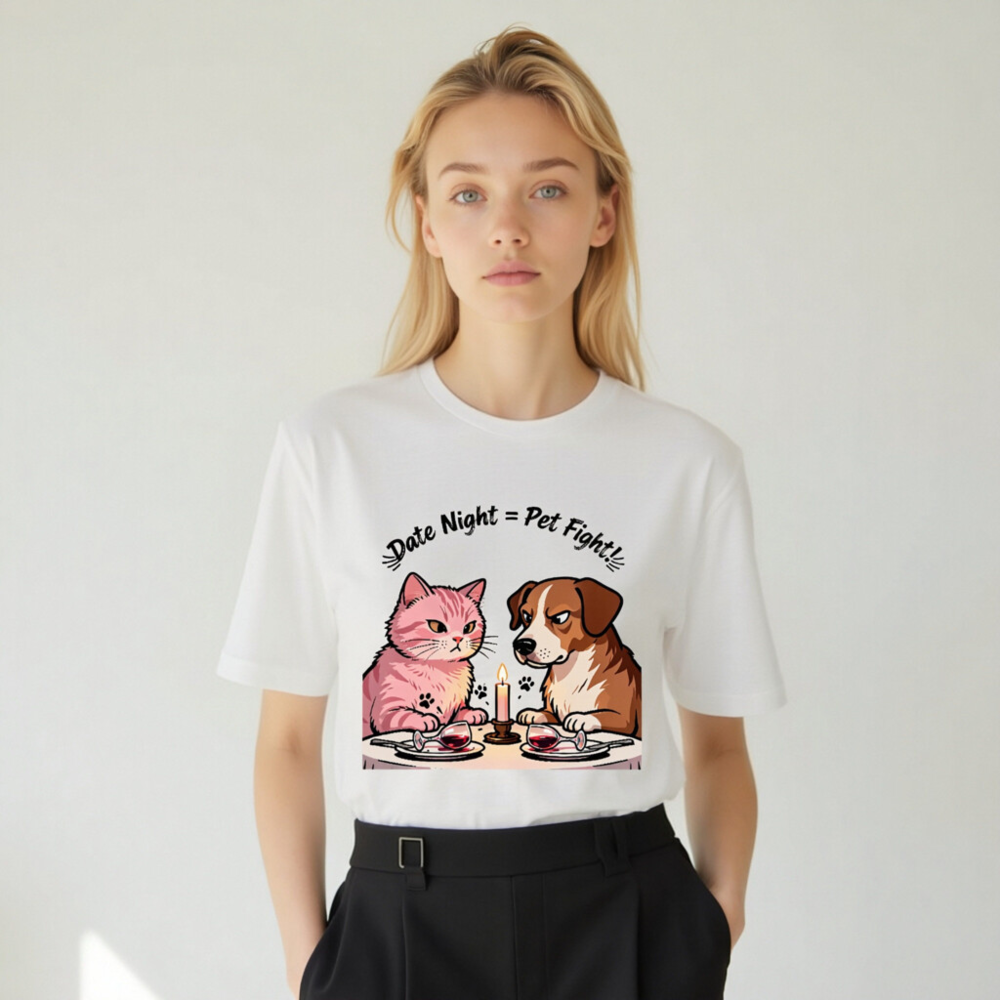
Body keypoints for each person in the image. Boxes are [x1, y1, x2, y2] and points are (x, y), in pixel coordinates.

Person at [217, 24, 786, 1000]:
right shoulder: (330, 446)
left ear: (604, 212)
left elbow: (719, 745)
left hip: (626, 922)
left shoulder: (687, 462)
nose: (508, 228)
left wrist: (715, 920)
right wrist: (310, 959)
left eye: (548, 189)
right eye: (469, 192)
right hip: (397, 925)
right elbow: (286, 741)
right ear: (426, 222)